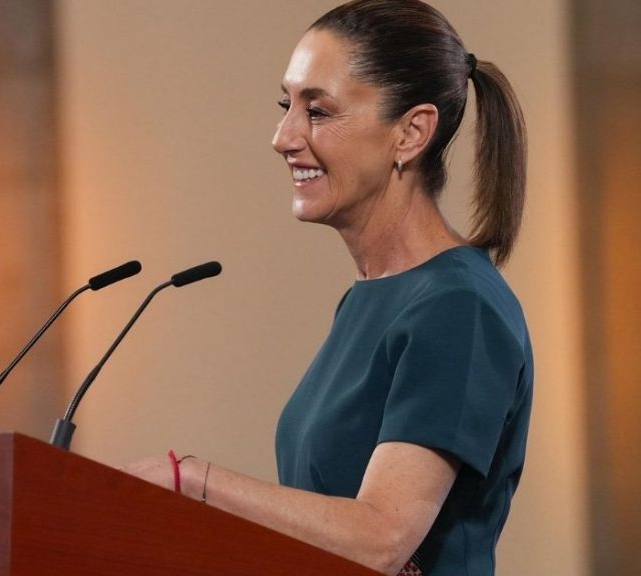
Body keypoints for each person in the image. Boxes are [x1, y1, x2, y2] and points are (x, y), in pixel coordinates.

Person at [123, 1, 533, 575]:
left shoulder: (459, 307)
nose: (282, 137)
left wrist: (192, 481)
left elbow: (382, 538)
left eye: (317, 111)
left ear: (411, 133)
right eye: (286, 105)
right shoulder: (369, 297)